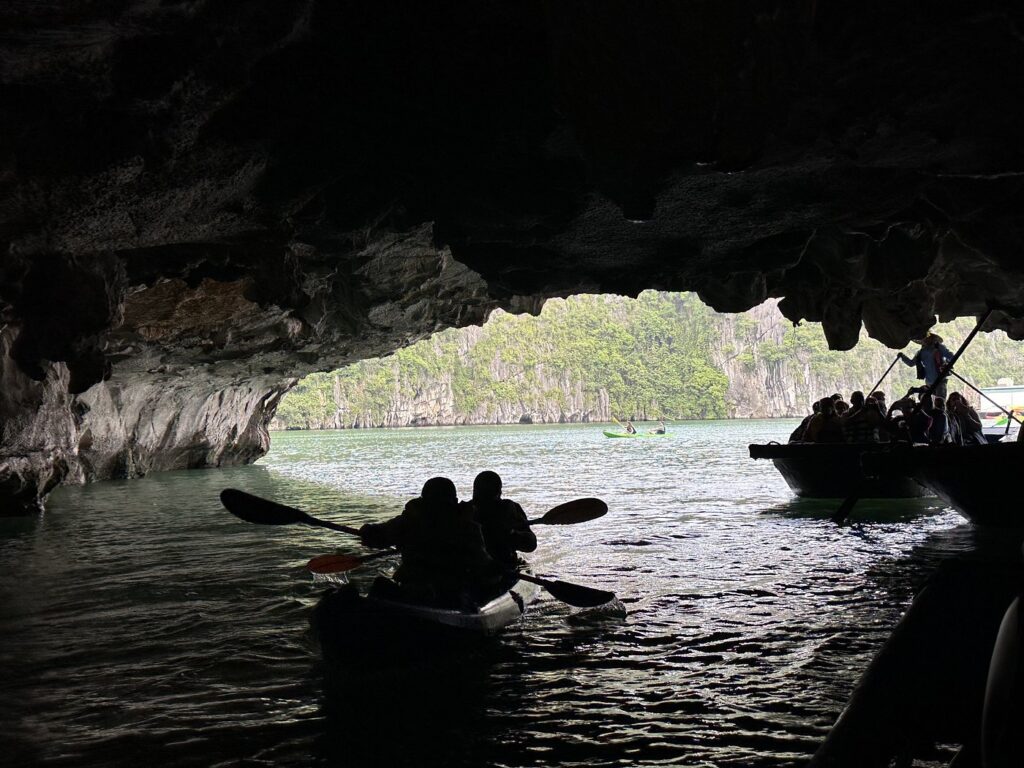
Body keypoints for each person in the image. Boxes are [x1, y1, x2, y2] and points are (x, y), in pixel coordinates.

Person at [359, 477, 501, 605]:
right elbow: (483, 564)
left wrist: (368, 531)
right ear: (454, 501)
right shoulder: (466, 526)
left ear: (423, 499)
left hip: (413, 589)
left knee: (381, 585)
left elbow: (377, 538)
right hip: (449, 594)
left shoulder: (408, 521)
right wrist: (496, 569)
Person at [463, 471, 537, 571]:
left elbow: (531, 544)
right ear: (499, 492)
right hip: (479, 569)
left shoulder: (509, 509)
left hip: (503, 567)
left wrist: (512, 534)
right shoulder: (465, 511)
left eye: (487, 494)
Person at [898, 333, 954, 398]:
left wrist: (946, 365)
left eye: (927, 337)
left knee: (940, 401)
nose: (925, 339)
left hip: (940, 380)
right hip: (929, 383)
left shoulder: (939, 347)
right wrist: (902, 356)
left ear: (932, 338)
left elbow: (951, 357)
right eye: (923, 338)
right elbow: (911, 363)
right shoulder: (921, 352)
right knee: (931, 402)